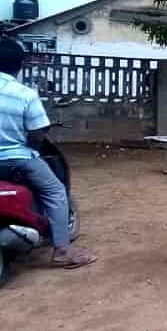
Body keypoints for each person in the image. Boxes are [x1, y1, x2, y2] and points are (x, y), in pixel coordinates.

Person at [0, 39, 97, 269]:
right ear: (20, 65)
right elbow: (37, 134)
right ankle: (62, 251)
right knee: (55, 191)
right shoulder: (24, 94)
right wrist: (31, 144)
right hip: (16, 159)